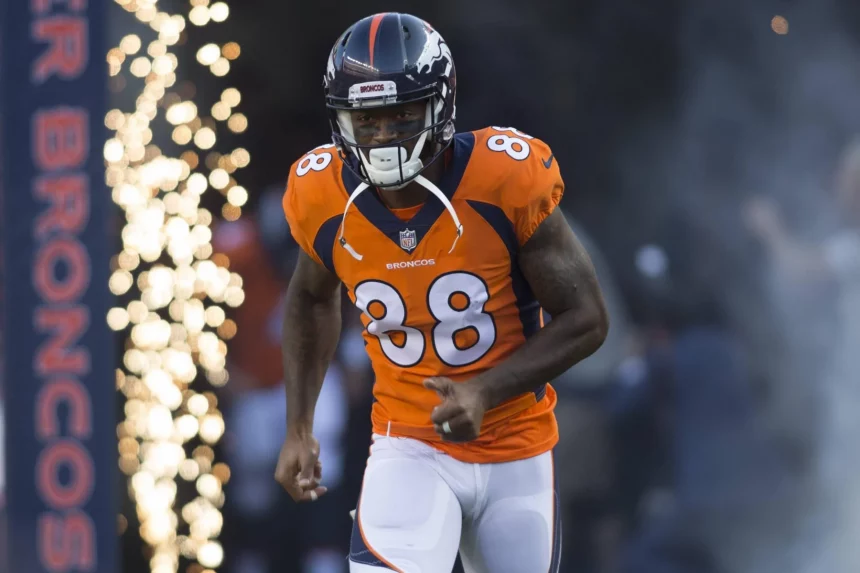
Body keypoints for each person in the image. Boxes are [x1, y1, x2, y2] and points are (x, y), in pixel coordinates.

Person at [274, 12, 609, 573]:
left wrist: (485, 390)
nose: (383, 136)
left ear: (441, 104)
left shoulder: (505, 178)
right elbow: (310, 299)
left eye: (402, 115)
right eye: (367, 119)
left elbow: (587, 318)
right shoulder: (320, 192)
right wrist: (299, 427)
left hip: (516, 448)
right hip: (408, 442)